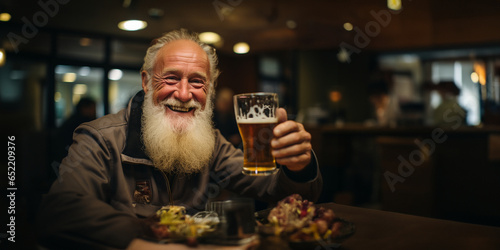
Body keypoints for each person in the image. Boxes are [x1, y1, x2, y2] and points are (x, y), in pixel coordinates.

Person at [36, 29, 322, 249]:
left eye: (197, 81)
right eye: (171, 78)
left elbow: (277, 191)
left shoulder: (211, 141)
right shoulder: (100, 138)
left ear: (208, 89)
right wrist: (147, 237)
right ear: (147, 82)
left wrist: (298, 166)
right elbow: (59, 211)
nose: (184, 94)